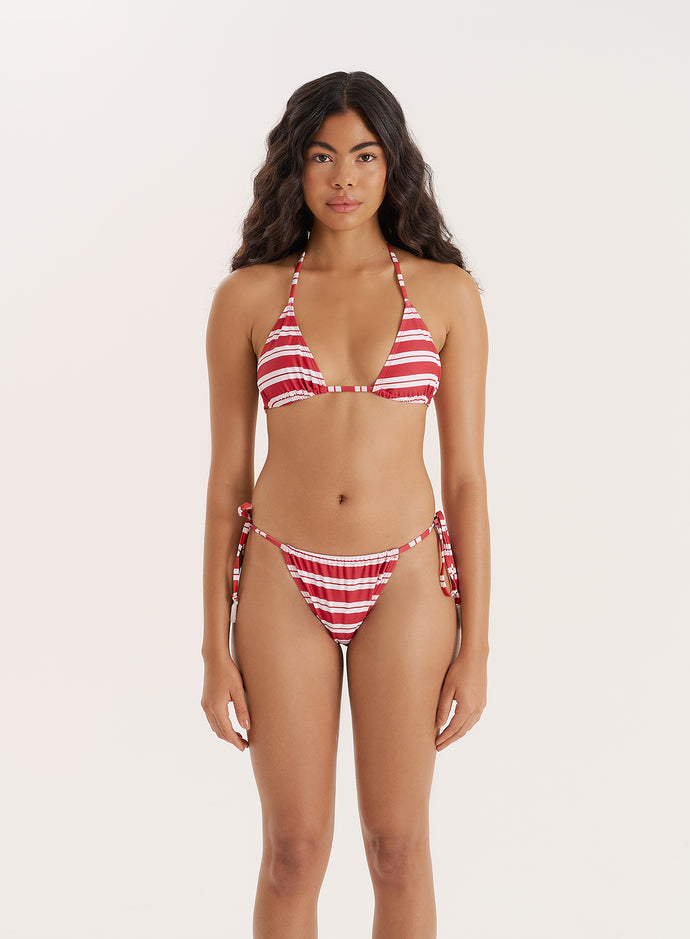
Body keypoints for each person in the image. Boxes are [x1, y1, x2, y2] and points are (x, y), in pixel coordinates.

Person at [201, 70, 490, 939]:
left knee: (396, 846)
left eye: (364, 156)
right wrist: (213, 647)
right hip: (281, 576)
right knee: (293, 850)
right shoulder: (249, 297)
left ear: (392, 165)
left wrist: (477, 646)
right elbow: (226, 482)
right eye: (322, 156)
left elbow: (467, 478)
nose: (343, 177)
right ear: (294, 166)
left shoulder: (446, 292)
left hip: (407, 577)